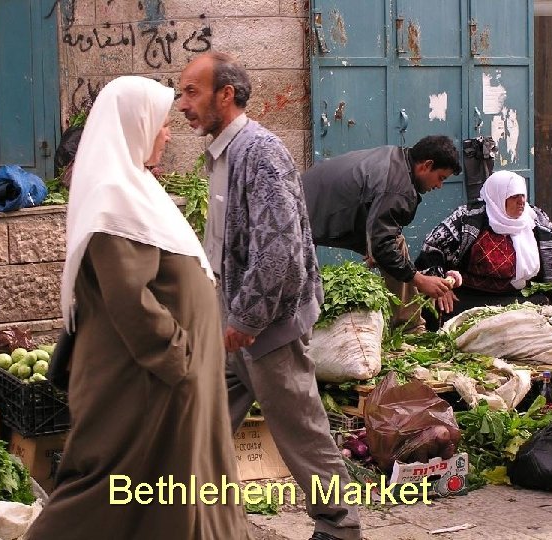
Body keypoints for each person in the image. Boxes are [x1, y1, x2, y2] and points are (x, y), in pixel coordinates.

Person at [26, 76, 251, 540]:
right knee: (113, 485)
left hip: (166, 377)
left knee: (174, 483)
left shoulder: (136, 189)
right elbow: (129, 295)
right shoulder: (114, 199)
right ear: (134, 125)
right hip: (143, 379)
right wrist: (179, 358)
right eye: (161, 124)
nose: (168, 133)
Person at [178, 52, 362, 540]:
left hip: (263, 329)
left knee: (300, 430)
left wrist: (248, 319)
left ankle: (340, 527)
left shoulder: (262, 152)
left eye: (192, 91)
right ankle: (195, 517)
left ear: (227, 94)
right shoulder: (222, 153)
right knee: (199, 418)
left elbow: (277, 250)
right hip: (229, 325)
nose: (182, 104)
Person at [301, 136, 462, 332]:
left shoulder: (398, 158)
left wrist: (374, 247)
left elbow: (383, 230)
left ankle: (408, 325)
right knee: (294, 291)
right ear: (426, 166)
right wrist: (419, 279)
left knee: (395, 244)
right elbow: (383, 244)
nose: (439, 186)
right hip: (296, 216)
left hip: (311, 202)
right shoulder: (398, 187)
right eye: (441, 178)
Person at [415, 169, 552, 328]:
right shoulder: (469, 218)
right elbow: (432, 247)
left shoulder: (535, 220)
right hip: (473, 298)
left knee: (541, 317)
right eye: (513, 197)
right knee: (441, 313)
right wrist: (441, 286)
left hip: (520, 299)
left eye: (523, 195)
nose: (521, 201)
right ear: (498, 197)